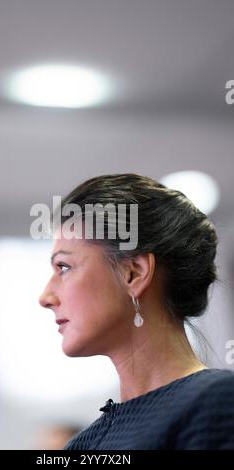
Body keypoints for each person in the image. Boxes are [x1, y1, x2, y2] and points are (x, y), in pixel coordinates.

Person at [39, 173, 234, 450]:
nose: (45, 297)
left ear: (134, 273)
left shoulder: (216, 404)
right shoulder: (82, 445)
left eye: (64, 267)